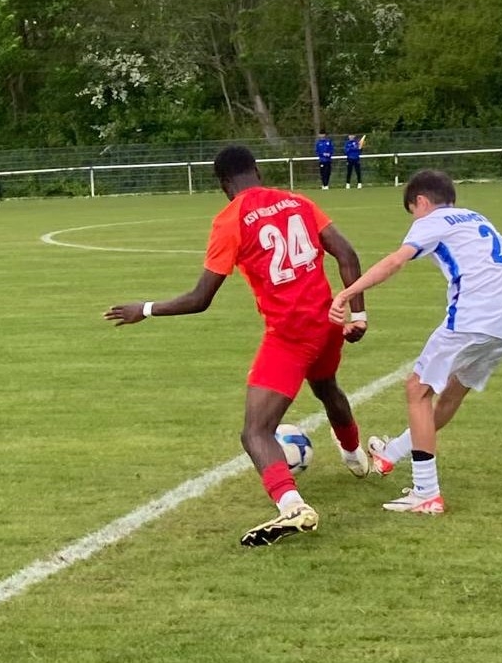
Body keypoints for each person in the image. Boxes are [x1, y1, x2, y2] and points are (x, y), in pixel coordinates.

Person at [104, 145, 371, 547]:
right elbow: (347, 254)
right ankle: (355, 457)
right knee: (326, 387)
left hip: (290, 335)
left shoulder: (230, 220)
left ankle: (292, 505)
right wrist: (358, 314)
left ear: (224, 183)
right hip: (329, 322)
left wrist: (144, 309)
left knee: (256, 432)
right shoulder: (297, 201)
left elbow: (200, 299)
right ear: (256, 171)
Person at [329, 170, 502, 514]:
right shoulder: (476, 217)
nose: (415, 220)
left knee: (417, 389)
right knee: (451, 392)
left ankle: (426, 492)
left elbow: (395, 261)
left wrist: (347, 292)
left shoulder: (432, 220)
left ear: (421, 201)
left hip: (473, 315)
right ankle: (391, 454)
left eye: (413, 212)